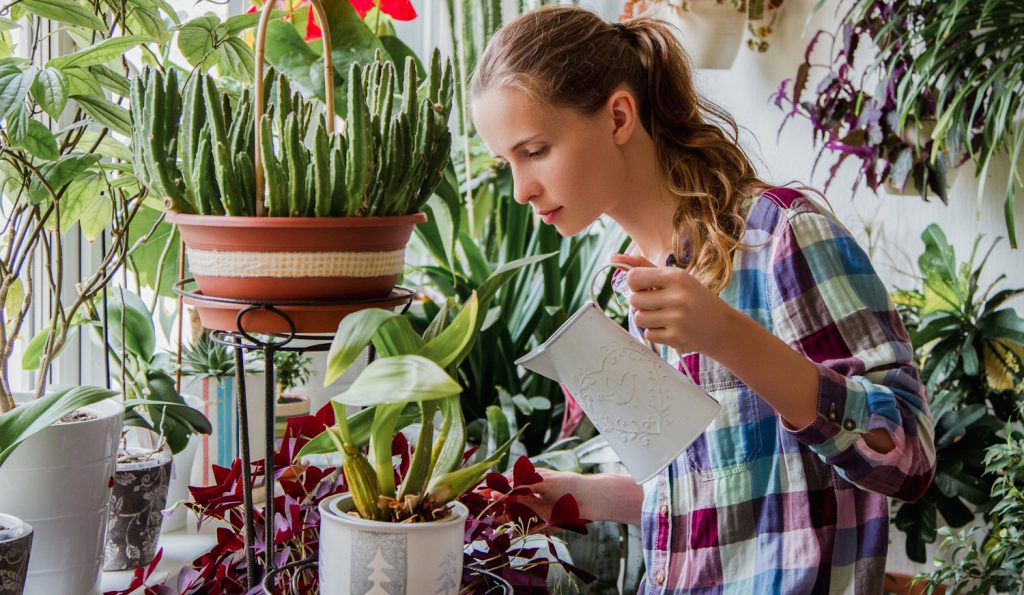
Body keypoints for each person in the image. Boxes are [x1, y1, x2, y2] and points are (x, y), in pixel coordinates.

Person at [469, 5, 935, 594]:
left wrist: (726, 335)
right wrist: (577, 495)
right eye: (506, 161)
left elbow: (908, 459)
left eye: (535, 150)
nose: (520, 189)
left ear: (618, 117)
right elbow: (713, 494)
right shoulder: (636, 280)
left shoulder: (782, 236)